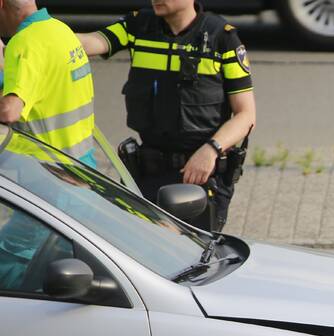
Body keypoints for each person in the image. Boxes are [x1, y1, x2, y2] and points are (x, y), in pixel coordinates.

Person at [77, 1, 256, 231]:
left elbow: (246, 115)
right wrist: (40, 30)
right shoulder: (138, 26)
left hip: (197, 174)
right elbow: (90, 42)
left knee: (188, 255)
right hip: (147, 172)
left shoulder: (221, 37)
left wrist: (211, 149)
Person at [0, 0, 97, 166]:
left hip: (48, 174)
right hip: (83, 166)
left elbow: (9, 111)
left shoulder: (24, 43)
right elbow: (45, 83)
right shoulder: (61, 30)